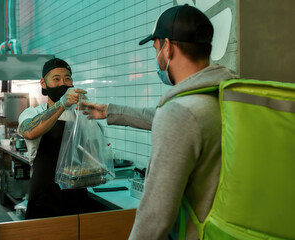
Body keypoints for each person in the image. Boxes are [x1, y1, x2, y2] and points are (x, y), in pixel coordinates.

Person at [82, 4, 238, 240]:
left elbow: (155, 216)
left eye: (156, 48)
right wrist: (110, 111)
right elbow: (165, 118)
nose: (157, 57)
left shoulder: (181, 112)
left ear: (168, 47)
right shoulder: (224, 96)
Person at [17, 58, 89, 220]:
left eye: (67, 78)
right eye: (56, 79)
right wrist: (62, 104)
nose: (63, 83)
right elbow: (29, 131)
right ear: (43, 83)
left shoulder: (81, 115)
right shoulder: (33, 113)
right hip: (44, 199)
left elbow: (91, 155)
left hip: (77, 199)